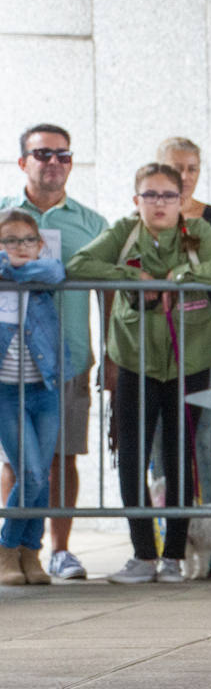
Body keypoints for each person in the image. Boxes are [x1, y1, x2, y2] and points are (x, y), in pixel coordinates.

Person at [67, 164, 211, 583]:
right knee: (132, 456)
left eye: (167, 195)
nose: (159, 203)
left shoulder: (198, 232)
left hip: (191, 360)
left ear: (181, 200)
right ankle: (143, 554)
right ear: (136, 200)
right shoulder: (125, 232)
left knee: (181, 455)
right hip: (134, 359)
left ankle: (174, 558)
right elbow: (78, 264)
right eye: (150, 195)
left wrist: (178, 278)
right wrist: (135, 277)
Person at [1, 124, 108, 581]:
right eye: (42, 154)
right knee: (18, 462)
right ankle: (12, 548)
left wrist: (113, 356)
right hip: (9, 365)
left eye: (63, 155)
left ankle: (52, 551)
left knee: (61, 458)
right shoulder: (3, 214)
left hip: (68, 358)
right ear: (23, 161)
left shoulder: (90, 223)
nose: (53, 163)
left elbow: (106, 291)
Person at [151, 137, 211, 574]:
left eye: (192, 168)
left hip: (206, 347)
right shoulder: (144, 216)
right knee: (161, 450)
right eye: (175, 168)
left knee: (204, 443)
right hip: (155, 350)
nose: (184, 177)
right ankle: (170, 542)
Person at [0, 210, 68, 585]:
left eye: (28, 240)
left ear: (40, 243)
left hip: (45, 388)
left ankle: (31, 554)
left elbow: (54, 272)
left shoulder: (43, 271)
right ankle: (7, 548)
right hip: (7, 392)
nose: (20, 247)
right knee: (31, 471)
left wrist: (11, 270)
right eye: (9, 240)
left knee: (41, 475)